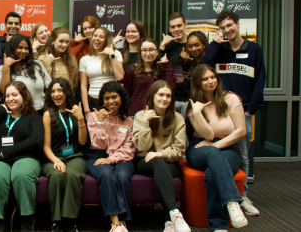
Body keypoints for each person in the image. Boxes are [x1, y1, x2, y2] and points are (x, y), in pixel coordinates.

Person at [200, 10, 266, 216]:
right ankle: (224, 193)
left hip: (243, 110)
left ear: (237, 24)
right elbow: (203, 67)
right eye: (223, 28)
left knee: (244, 156)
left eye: (230, 26)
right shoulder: (220, 49)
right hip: (220, 111)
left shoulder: (254, 49)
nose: (227, 30)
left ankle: (242, 195)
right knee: (220, 153)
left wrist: (250, 110)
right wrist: (215, 45)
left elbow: (260, 80)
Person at [185, 64, 249, 230]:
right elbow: (208, 136)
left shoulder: (231, 99)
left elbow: (241, 130)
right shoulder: (194, 105)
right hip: (199, 149)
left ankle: (219, 226)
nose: (210, 81)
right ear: (198, 83)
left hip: (228, 147)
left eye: (212, 77)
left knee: (212, 173)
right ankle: (233, 201)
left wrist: (216, 145)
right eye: (205, 79)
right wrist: (198, 113)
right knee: (213, 155)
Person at [0, 81, 44, 232]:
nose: (10, 99)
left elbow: (36, 139)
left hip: (26, 157)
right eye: (7, 96)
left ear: (24, 96)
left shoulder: (33, 117)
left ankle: (28, 220)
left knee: (22, 174)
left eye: (15, 95)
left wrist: (12, 150)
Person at [132, 81, 190, 232]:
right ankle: (174, 213)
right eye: (161, 95)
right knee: (157, 163)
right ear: (152, 96)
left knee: (159, 166)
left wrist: (160, 153)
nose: (165, 98)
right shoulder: (140, 116)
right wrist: (145, 123)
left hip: (169, 162)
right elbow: (142, 147)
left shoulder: (177, 118)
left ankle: (169, 221)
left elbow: (179, 150)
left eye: (168, 96)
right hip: (144, 162)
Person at [85, 81, 135, 232]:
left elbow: (129, 148)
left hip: (122, 158)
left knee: (122, 176)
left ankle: (124, 221)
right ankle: (115, 222)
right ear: (102, 101)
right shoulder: (94, 116)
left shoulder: (128, 120)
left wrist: (112, 159)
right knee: (107, 175)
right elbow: (98, 145)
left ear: (121, 98)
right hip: (97, 155)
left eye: (114, 97)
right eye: (107, 99)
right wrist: (100, 122)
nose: (111, 101)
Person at [41, 78, 87, 232]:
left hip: (74, 156)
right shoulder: (48, 114)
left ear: (67, 92)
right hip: (53, 156)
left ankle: (70, 220)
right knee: (57, 175)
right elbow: (46, 147)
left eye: (60, 90)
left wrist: (80, 118)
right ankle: (56, 221)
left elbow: (82, 141)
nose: (56, 94)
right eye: (53, 91)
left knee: (73, 174)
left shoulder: (76, 112)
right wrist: (56, 160)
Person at [0, 34, 52, 111]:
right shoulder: (2, 68)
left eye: (26, 48)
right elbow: (3, 91)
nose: (24, 51)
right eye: (20, 47)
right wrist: (7, 66)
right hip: (16, 113)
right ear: (12, 48)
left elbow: (49, 88)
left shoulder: (37, 65)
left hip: (39, 111)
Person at [79, 27, 124, 119]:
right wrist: (86, 110)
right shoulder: (85, 59)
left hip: (112, 101)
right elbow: (83, 86)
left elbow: (120, 76)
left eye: (101, 37)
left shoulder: (116, 54)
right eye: (95, 35)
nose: (97, 38)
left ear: (106, 40)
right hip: (93, 101)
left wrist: (111, 55)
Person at [123, 38, 176, 116]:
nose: (148, 54)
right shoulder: (132, 69)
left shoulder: (163, 68)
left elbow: (171, 87)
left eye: (151, 50)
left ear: (157, 52)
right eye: (144, 50)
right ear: (140, 52)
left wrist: (167, 65)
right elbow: (126, 94)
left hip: (158, 113)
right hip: (135, 113)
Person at [159, 12, 189, 118]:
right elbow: (156, 67)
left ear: (186, 25)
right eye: (173, 27)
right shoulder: (166, 47)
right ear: (169, 29)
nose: (176, 29)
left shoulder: (193, 46)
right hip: (170, 99)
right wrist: (162, 46)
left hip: (189, 99)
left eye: (179, 25)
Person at [177, 31, 208, 118]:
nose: (193, 49)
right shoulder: (187, 64)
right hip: (192, 106)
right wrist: (179, 61)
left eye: (197, 45)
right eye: (190, 46)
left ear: (204, 45)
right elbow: (179, 82)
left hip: (208, 104)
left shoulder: (210, 61)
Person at [39, 27, 79, 92]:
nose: (64, 44)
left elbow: (75, 83)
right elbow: (42, 83)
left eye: (67, 42)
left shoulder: (71, 58)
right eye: (61, 41)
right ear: (53, 41)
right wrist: (48, 61)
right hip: (50, 98)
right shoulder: (43, 58)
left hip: (67, 97)